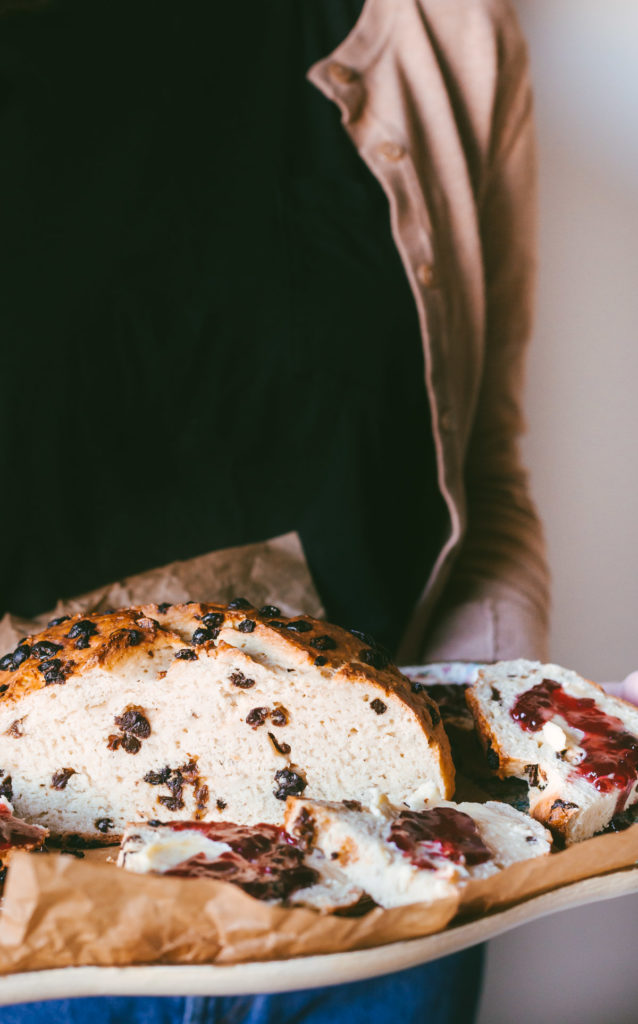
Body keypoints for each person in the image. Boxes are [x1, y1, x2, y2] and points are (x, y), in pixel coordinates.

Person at [0, 0, 556, 1021]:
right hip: (39, 944)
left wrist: (504, 763)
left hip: (383, 900)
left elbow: (485, 473)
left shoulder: (446, 33)